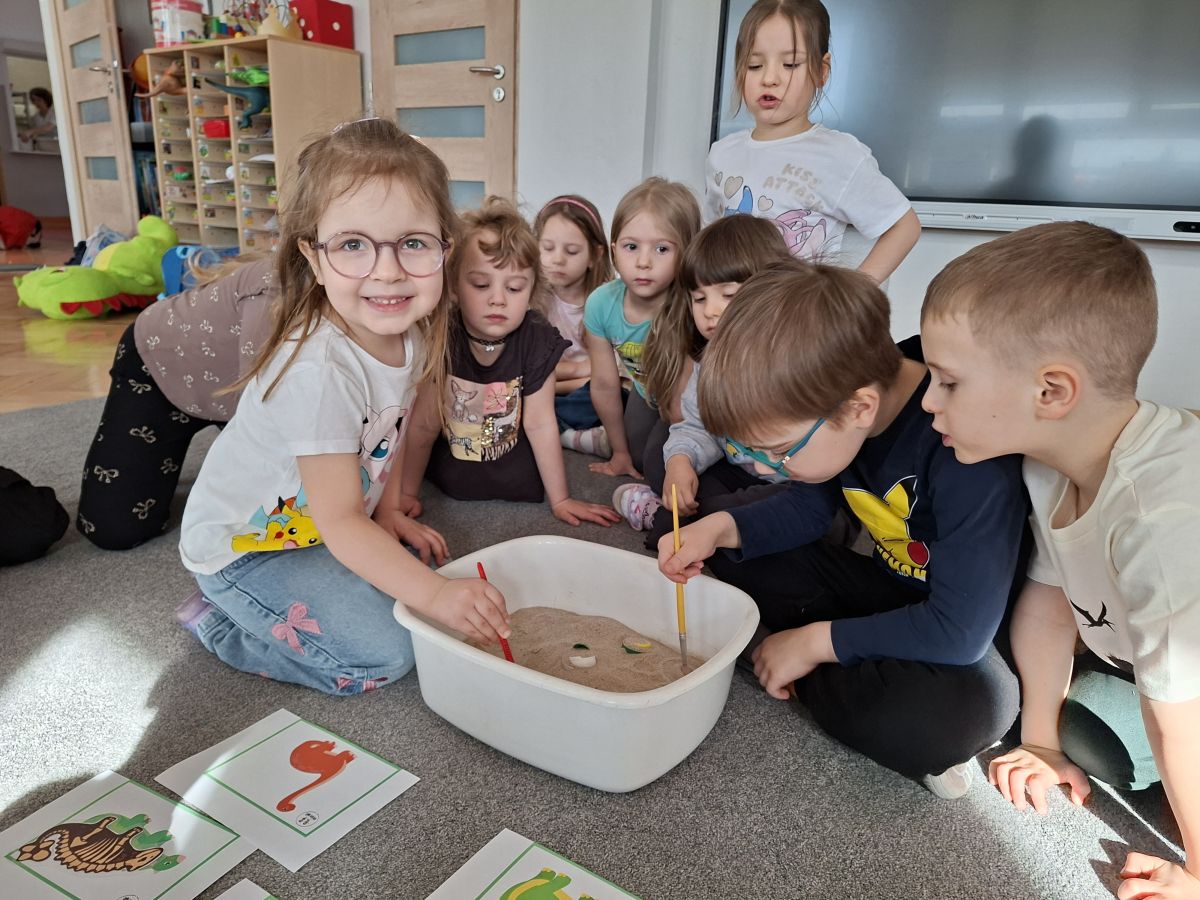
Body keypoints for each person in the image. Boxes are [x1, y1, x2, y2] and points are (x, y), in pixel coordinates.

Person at [658, 258, 1027, 798]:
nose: (763, 466)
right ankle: (797, 655)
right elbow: (809, 508)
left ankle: (788, 658)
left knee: (973, 711)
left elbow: (960, 632)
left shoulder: (964, 441)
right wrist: (717, 529)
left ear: (860, 408)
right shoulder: (844, 387)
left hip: (962, 629)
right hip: (890, 592)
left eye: (780, 451)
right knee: (718, 533)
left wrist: (814, 643)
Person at [177, 118, 510, 696]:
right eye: (353, 244)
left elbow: (388, 433)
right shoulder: (318, 371)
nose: (388, 271)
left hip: (319, 529)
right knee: (388, 654)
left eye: (412, 243)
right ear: (313, 256)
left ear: (444, 247)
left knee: (423, 605)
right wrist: (432, 593)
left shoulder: (410, 330)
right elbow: (338, 520)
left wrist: (387, 512)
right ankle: (221, 623)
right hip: (245, 552)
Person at [920, 221, 1200, 896]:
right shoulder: (1047, 465)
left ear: (1051, 392)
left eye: (949, 382)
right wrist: (1040, 740)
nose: (928, 401)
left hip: (1183, 684)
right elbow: (1050, 602)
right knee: (1089, 739)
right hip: (1149, 670)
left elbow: (1178, 709)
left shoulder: (1157, 518)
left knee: (1160, 742)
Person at [397, 197, 619, 528]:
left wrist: (561, 500)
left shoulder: (538, 339)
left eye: (514, 288)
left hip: (517, 479)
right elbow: (424, 425)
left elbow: (541, 423)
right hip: (451, 478)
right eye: (481, 284)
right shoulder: (441, 335)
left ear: (531, 292)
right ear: (454, 286)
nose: (498, 299)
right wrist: (406, 494)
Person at [707, 0, 919, 281]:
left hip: (795, 308)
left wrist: (851, 293)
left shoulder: (840, 155)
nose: (769, 78)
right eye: (754, 65)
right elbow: (710, 244)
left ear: (821, 70)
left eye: (790, 64)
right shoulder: (722, 154)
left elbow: (904, 227)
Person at [77, 256, 275, 550]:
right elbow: (266, 413)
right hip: (162, 370)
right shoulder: (275, 286)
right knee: (114, 529)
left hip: (237, 396)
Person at [613, 215, 791, 534]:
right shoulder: (709, 360)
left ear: (773, 293)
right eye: (699, 298)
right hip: (734, 473)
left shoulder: (798, 361)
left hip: (791, 487)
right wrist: (680, 461)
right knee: (662, 458)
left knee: (770, 515)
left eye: (729, 295)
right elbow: (697, 426)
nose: (710, 311)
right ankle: (681, 517)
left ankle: (664, 519)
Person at [584, 177, 700, 481]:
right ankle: (601, 439)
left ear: (686, 254)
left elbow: (683, 405)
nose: (644, 262)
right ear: (614, 251)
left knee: (660, 465)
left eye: (662, 248)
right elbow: (604, 385)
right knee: (632, 456)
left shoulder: (692, 306)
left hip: (690, 399)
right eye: (631, 247)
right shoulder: (600, 304)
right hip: (645, 390)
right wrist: (619, 452)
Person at [534, 194, 615, 459]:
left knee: (619, 398)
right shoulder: (533, 300)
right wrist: (579, 370)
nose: (557, 259)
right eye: (548, 248)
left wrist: (581, 380)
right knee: (518, 400)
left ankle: (557, 432)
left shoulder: (604, 302)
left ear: (595, 255)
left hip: (589, 391)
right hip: (543, 389)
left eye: (571, 251)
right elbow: (529, 370)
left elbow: (608, 377)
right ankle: (571, 437)